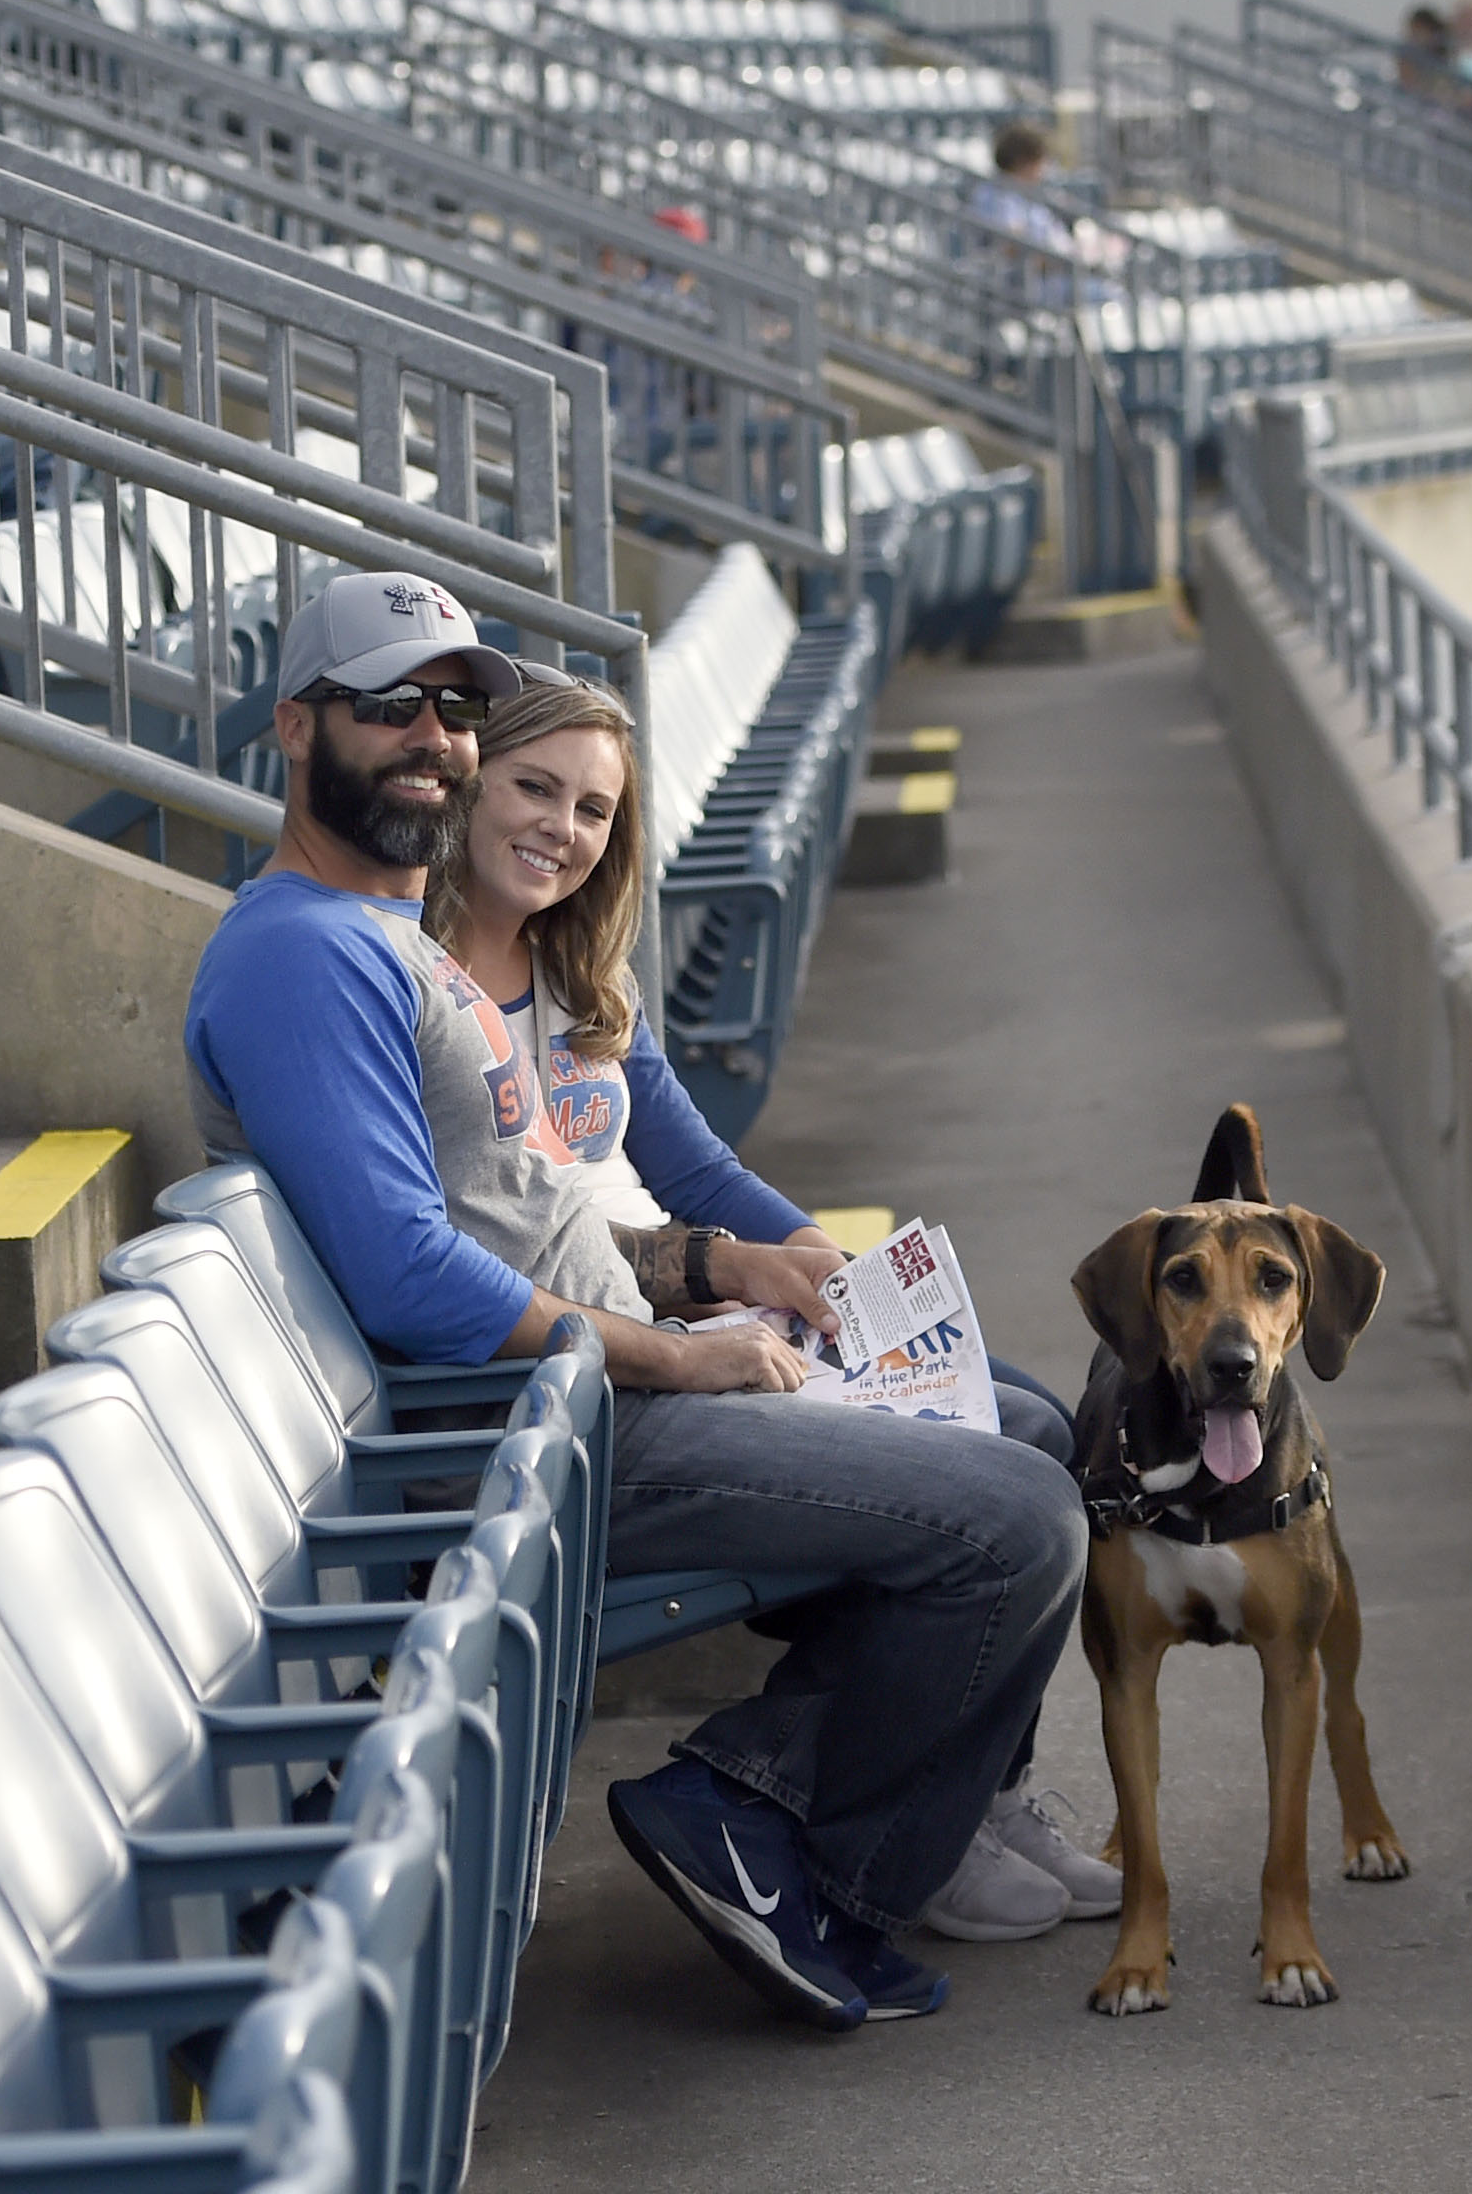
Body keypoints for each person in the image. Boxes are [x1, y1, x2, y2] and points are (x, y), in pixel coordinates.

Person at [184, 574, 1093, 2030]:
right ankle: (774, 1823)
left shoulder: (387, 938)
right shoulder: (303, 952)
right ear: (295, 727)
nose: (429, 736)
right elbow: (412, 1275)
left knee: (1009, 1437)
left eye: (451, 710)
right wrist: (679, 1355)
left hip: (578, 1401)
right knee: (1017, 1512)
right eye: (386, 707)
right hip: (530, 1442)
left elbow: (554, 1204)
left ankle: (834, 1824)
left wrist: (746, 1300)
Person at [420, 668, 1121, 1942]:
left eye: (591, 809)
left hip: (690, 1330)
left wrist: (805, 1254)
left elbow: (693, 1162)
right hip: (602, 1377)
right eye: (533, 787)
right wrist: (723, 1275)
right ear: (468, 784)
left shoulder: (580, 971)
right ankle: (835, 1804)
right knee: (1011, 1487)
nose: (561, 829)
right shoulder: (417, 988)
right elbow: (519, 1247)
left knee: (1029, 1418)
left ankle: (967, 1794)